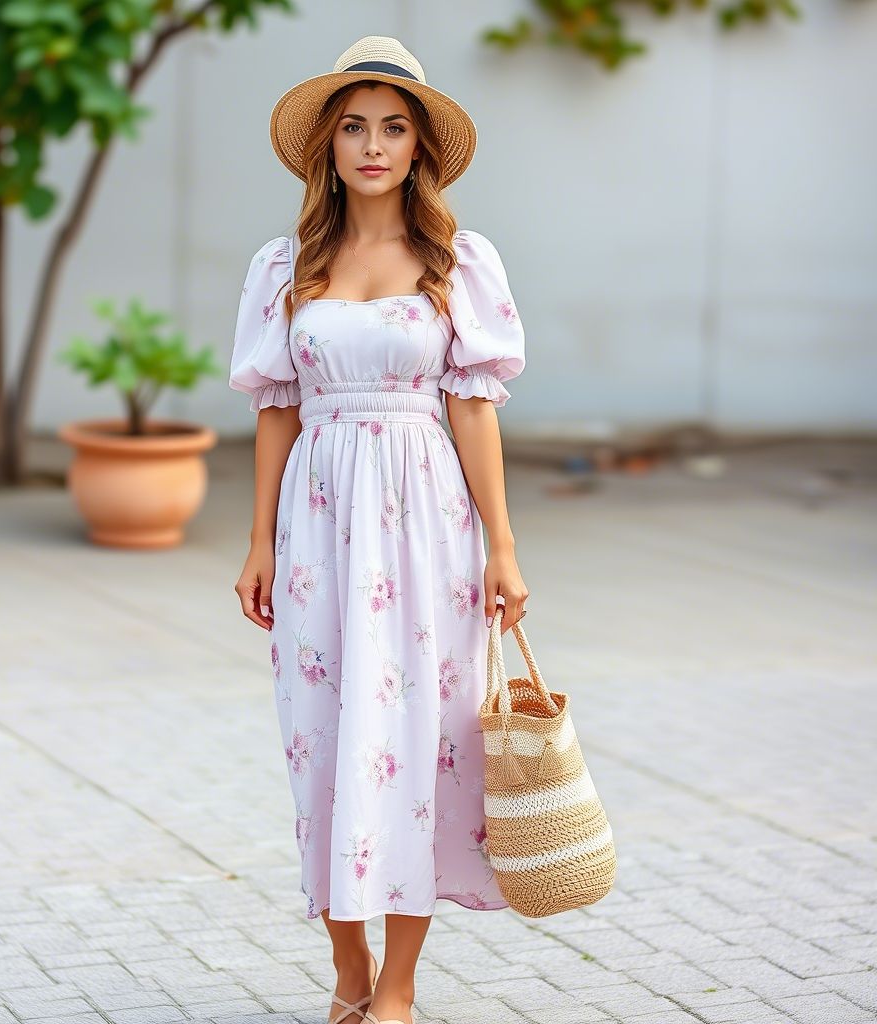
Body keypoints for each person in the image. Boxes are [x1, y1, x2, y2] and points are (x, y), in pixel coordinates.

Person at [229, 35, 529, 1024]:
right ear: (328, 143)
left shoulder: (456, 260)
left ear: (418, 148)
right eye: (353, 126)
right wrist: (260, 539)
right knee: (322, 743)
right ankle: (347, 965)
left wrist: (505, 546)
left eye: (392, 128)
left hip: (425, 523)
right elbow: (276, 407)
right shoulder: (285, 263)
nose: (371, 144)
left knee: (419, 744)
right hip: (318, 526)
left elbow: (475, 408)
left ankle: (396, 990)